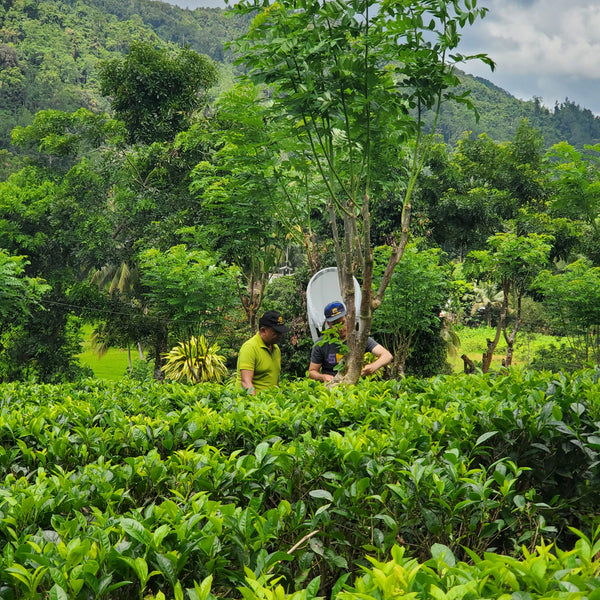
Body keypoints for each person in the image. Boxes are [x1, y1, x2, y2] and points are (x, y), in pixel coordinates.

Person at [308, 301, 392, 382]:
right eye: (335, 325)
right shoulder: (322, 343)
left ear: (347, 317)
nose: (340, 328)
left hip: (355, 384)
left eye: (342, 322)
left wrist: (373, 366)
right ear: (328, 324)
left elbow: (387, 356)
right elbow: (312, 371)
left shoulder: (359, 338)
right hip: (332, 386)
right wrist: (323, 377)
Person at [236, 310, 290, 394]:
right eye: (276, 332)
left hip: (270, 403)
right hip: (254, 403)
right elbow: (246, 383)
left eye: (281, 332)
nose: (280, 335)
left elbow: (275, 379)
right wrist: (256, 404)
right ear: (263, 330)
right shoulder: (250, 348)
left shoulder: (276, 348)